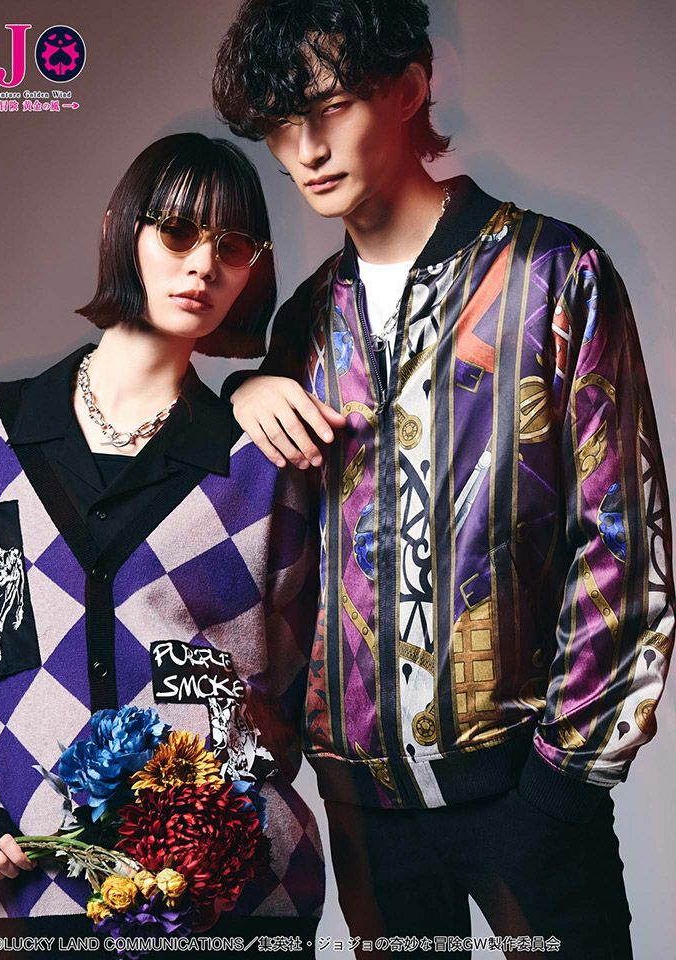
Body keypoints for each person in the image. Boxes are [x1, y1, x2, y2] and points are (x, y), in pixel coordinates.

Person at [212, 2, 676, 957]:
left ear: (411, 87)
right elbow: (272, 545)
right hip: (364, 815)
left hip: (527, 794)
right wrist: (238, 391)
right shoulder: (306, 323)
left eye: (329, 108)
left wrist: (563, 781)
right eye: (281, 125)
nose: (305, 150)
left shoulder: (554, 274)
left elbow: (625, 540)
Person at [0, 133, 324, 958]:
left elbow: (299, 692)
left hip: (233, 901)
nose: (203, 266)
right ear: (123, 228)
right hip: (42, 889)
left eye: (233, 248)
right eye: (178, 232)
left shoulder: (258, 462)